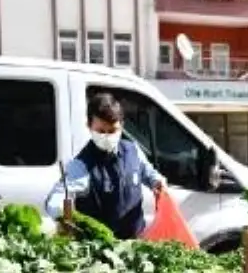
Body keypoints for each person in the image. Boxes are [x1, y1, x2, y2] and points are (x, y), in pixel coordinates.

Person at [44, 92, 165, 238]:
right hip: (101, 249)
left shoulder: (133, 150)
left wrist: (157, 182)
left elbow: (148, 173)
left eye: (112, 130)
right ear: (89, 126)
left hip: (136, 244)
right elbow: (57, 197)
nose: (107, 136)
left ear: (122, 126)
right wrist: (62, 214)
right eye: (101, 131)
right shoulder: (81, 165)